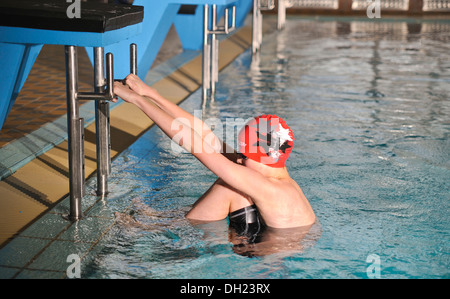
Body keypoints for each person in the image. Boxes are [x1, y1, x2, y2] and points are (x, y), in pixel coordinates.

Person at [112, 74, 316, 239]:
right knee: (233, 179)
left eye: (243, 154)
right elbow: (205, 134)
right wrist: (151, 94)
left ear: (260, 155)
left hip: (265, 255)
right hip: (266, 238)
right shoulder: (273, 170)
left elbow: (194, 144)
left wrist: (136, 101)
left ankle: (158, 227)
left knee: (228, 186)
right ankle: (166, 217)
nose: (239, 158)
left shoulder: (268, 187)